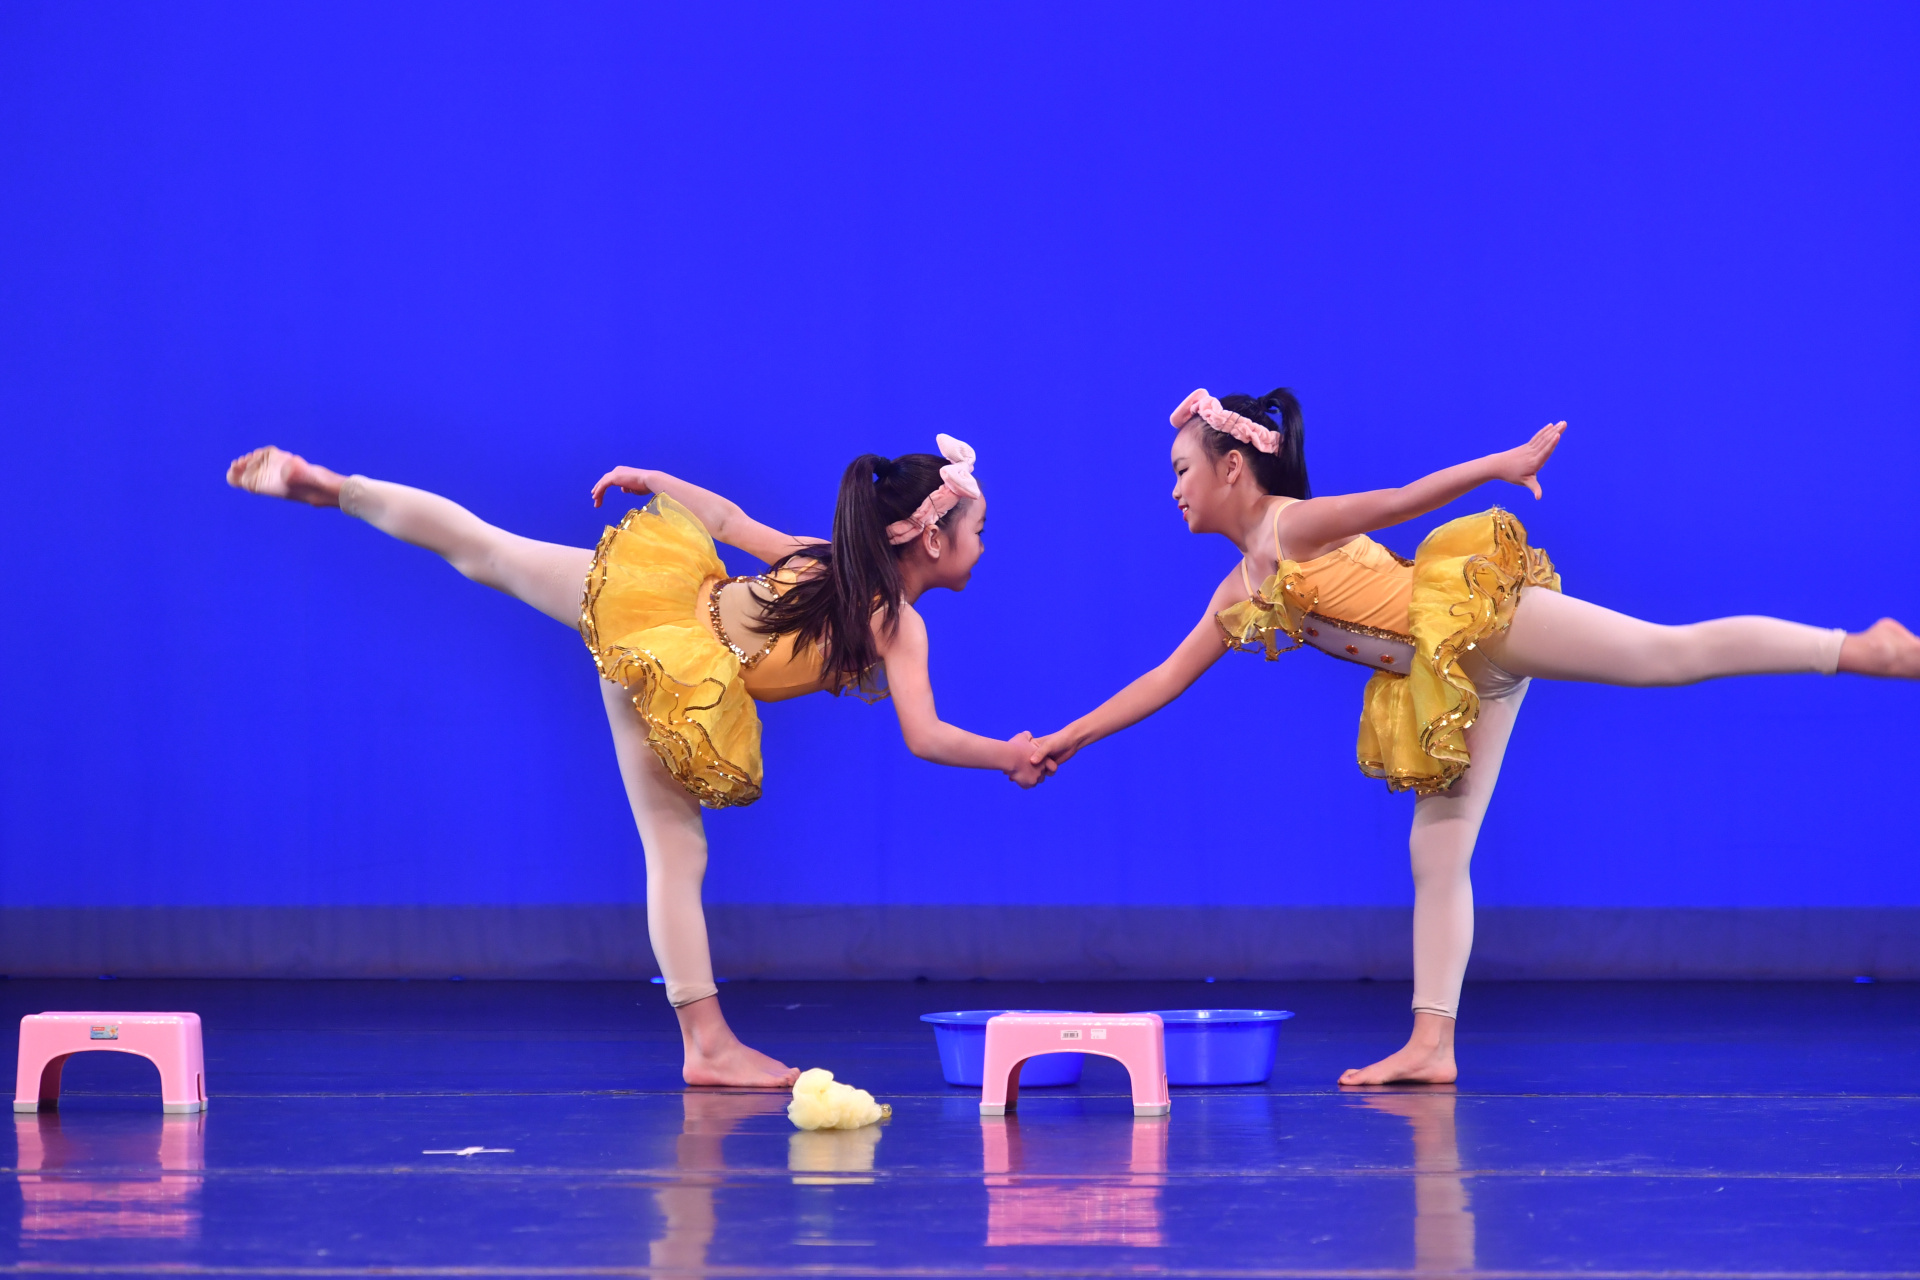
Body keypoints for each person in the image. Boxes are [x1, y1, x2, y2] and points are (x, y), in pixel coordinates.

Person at [1029, 388, 1920, 1086]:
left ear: (1232, 468)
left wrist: (1502, 463)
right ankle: (1431, 1044)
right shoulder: (1237, 591)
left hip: (1477, 623)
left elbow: (1396, 501)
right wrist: (1070, 736)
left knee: (1664, 654)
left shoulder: (1289, 526)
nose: (1173, 488)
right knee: (1437, 852)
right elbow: (1164, 678)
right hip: (1452, 681)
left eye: (1182, 468)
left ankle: (1859, 648)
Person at [228, 435, 1044, 1088]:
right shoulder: (894, 621)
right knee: (675, 851)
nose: (983, 546)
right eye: (979, 531)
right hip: (670, 659)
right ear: (931, 536)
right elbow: (925, 735)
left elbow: (726, 517)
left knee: (490, 552)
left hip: (651, 623)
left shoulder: (825, 561)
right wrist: (1008, 755)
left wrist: (653, 478)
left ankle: (333, 487)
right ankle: (707, 1046)